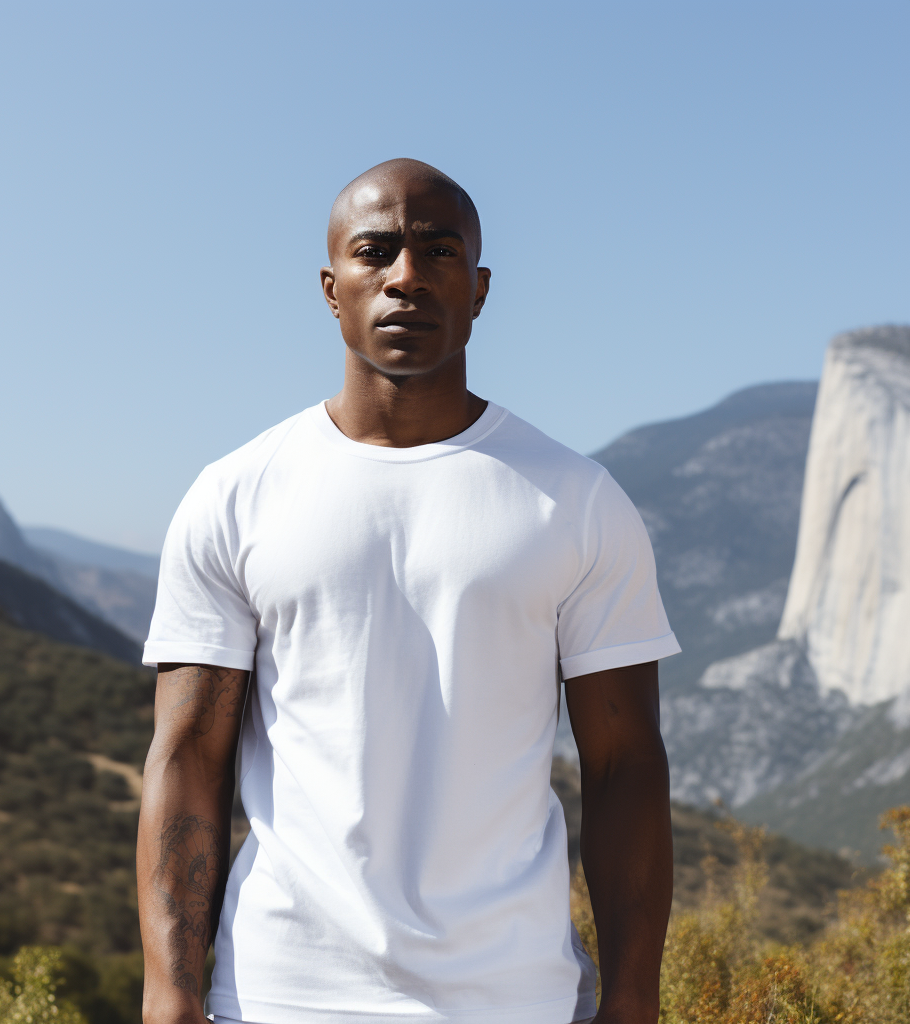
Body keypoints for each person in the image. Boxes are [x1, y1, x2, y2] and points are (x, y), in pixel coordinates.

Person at [137, 158, 678, 1024]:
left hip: (517, 998)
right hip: (279, 995)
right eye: (375, 250)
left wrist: (634, 1000)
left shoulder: (576, 501)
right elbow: (188, 755)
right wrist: (170, 990)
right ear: (331, 286)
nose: (407, 276)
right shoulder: (235, 495)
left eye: (438, 250)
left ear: (480, 286)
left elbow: (625, 766)